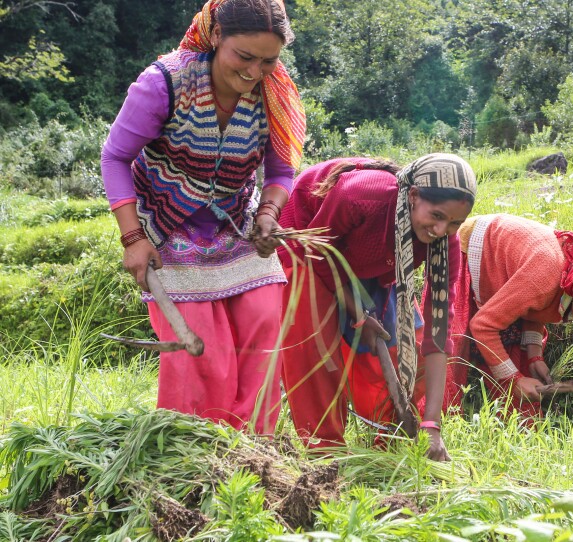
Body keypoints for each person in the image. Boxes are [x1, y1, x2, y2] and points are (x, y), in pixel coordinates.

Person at [101, 0, 306, 434]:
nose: (254, 72)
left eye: (268, 60)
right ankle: (193, 456)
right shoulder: (165, 83)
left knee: (265, 327)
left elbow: (282, 169)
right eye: (244, 57)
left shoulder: (274, 93)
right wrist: (133, 237)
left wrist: (269, 212)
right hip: (167, 229)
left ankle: (252, 456)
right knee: (203, 355)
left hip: (235, 226)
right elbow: (116, 157)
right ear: (216, 37)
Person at [276, 154, 476, 460]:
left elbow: (439, 329)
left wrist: (432, 422)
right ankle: (325, 454)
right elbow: (319, 254)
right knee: (317, 351)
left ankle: (389, 442)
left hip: (376, 264)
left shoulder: (444, 242)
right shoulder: (362, 196)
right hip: (307, 248)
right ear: (412, 196)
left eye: (454, 223)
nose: (441, 229)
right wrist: (359, 314)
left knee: (406, 352)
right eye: (436, 215)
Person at [443, 213, 573, 419]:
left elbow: (534, 310)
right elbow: (483, 325)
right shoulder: (546, 277)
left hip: (513, 272)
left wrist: (534, 356)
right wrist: (512, 380)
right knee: (451, 346)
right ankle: (434, 425)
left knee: (523, 368)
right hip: (468, 250)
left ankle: (516, 432)